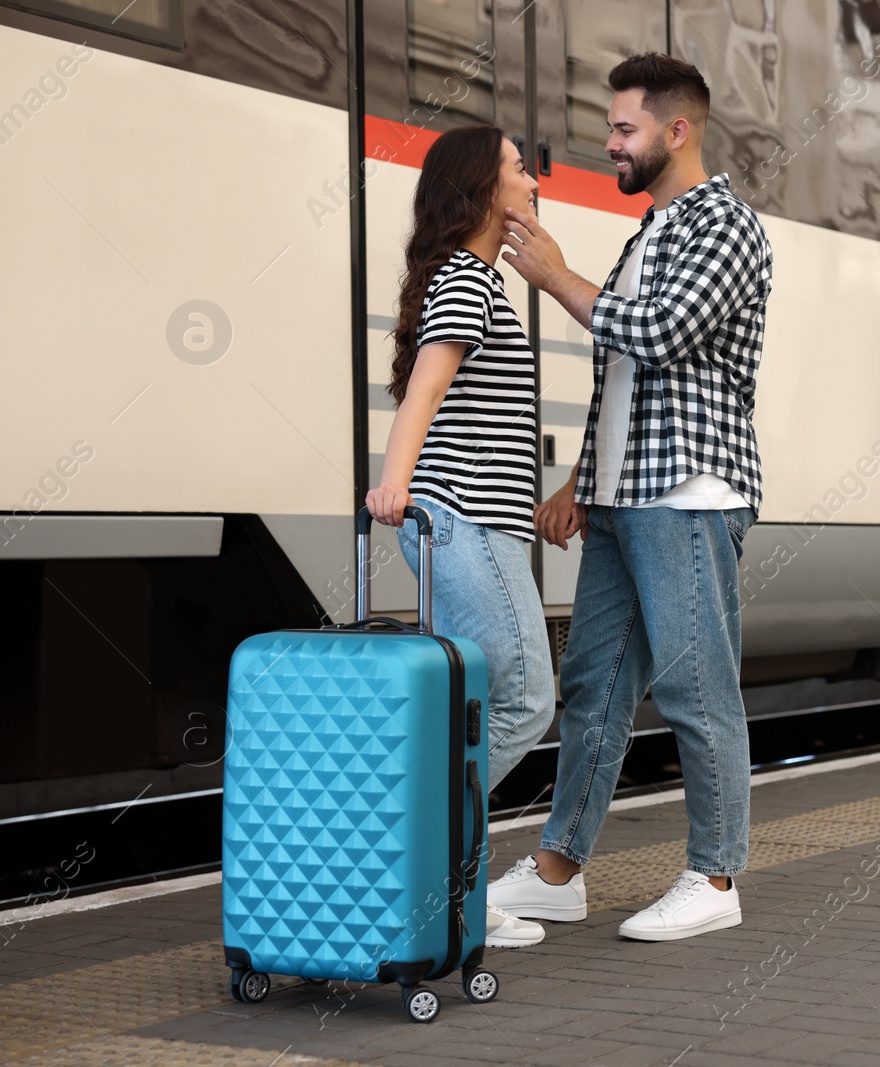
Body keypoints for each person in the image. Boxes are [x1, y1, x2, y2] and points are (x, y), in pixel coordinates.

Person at [488, 53, 773, 941]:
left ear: (675, 131)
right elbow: (620, 374)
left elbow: (652, 333)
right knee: (594, 687)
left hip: (689, 495)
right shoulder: (649, 232)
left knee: (695, 687)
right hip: (625, 498)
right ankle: (559, 869)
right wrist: (583, 479)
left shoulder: (725, 227)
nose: (608, 143)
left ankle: (716, 879)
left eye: (623, 129)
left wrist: (555, 275)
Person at [365, 124, 556, 950]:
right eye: (520, 167)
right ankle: (442, 872)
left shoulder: (477, 279)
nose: (534, 177)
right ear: (483, 188)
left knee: (473, 708)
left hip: (476, 526)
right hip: (465, 523)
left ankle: (443, 886)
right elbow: (425, 389)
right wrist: (395, 483)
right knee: (520, 699)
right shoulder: (468, 282)